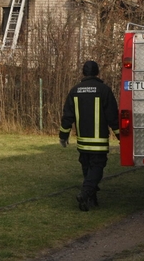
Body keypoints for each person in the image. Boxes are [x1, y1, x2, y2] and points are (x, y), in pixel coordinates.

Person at [59, 60, 119, 211]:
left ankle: (91, 199)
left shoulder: (75, 91)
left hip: (83, 142)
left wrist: (63, 135)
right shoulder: (104, 90)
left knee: (87, 169)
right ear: (98, 72)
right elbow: (113, 116)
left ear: (83, 73)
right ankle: (85, 194)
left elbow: (67, 116)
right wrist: (121, 136)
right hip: (98, 142)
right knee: (96, 169)